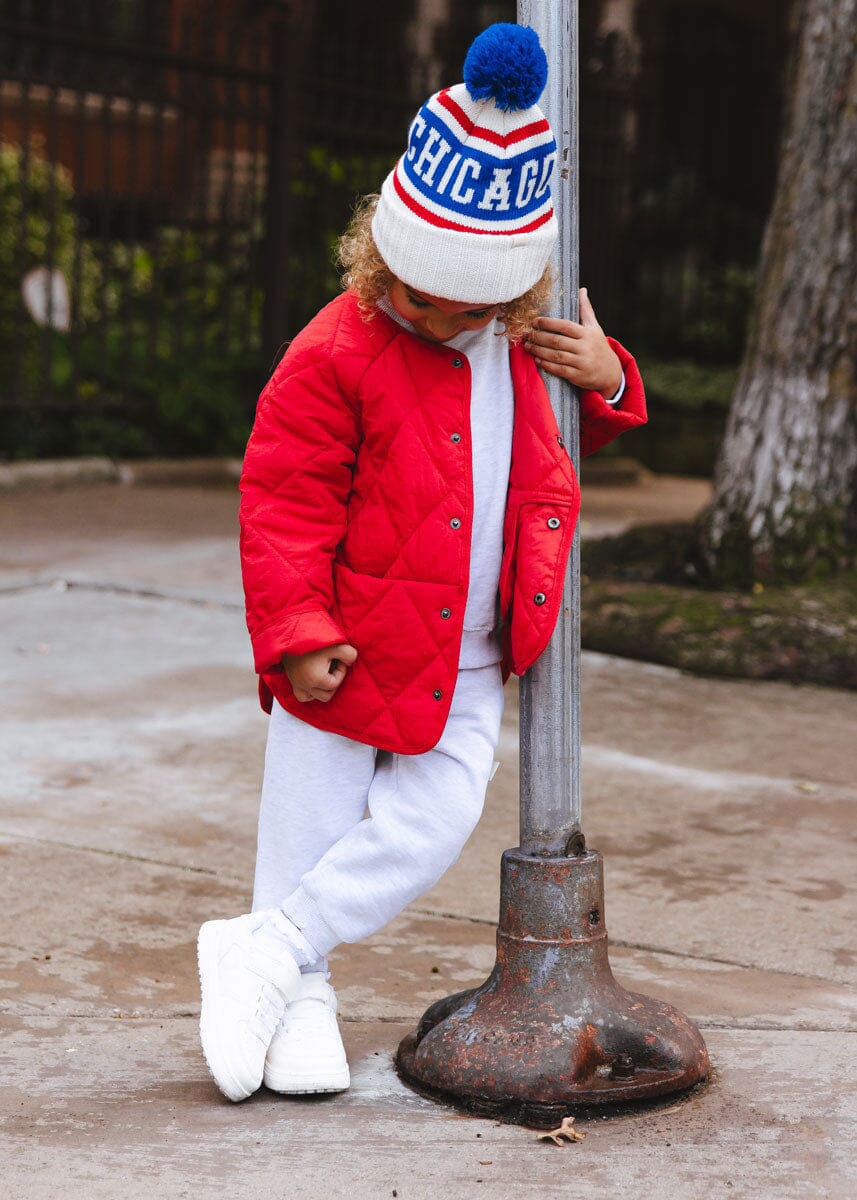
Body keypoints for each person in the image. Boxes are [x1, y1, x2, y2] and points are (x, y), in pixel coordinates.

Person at [196, 22, 646, 1103]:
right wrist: (296, 634)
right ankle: (295, 989)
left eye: (452, 303)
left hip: (479, 650)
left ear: (501, 291)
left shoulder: (519, 340)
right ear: (379, 251)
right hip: (348, 644)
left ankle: (268, 950)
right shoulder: (337, 349)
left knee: (435, 817)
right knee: (306, 830)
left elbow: (584, 438)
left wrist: (606, 373)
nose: (422, 311)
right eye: (405, 287)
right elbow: (283, 499)